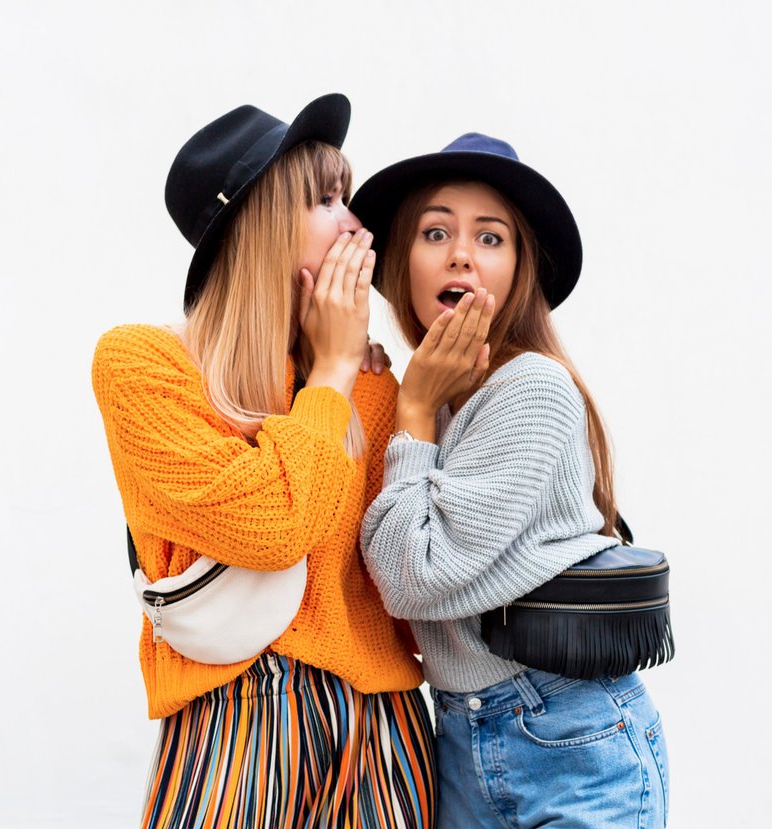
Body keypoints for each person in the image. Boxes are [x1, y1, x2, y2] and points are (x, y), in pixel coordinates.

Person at [91, 94, 434, 828]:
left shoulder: (374, 385)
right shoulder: (145, 366)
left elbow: (403, 572)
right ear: (261, 227)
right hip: (237, 727)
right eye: (324, 199)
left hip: (383, 729)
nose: (354, 223)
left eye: (347, 195)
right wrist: (332, 378)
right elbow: (273, 526)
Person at [353, 133, 669, 829]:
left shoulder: (531, 387)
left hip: (571, 740)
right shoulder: (435, 402)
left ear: (520, 270)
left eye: (489, 237)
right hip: (464, 740)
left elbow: (412, 577)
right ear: (403, 260)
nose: (461, 252)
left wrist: (406, 412)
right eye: (436, 231)